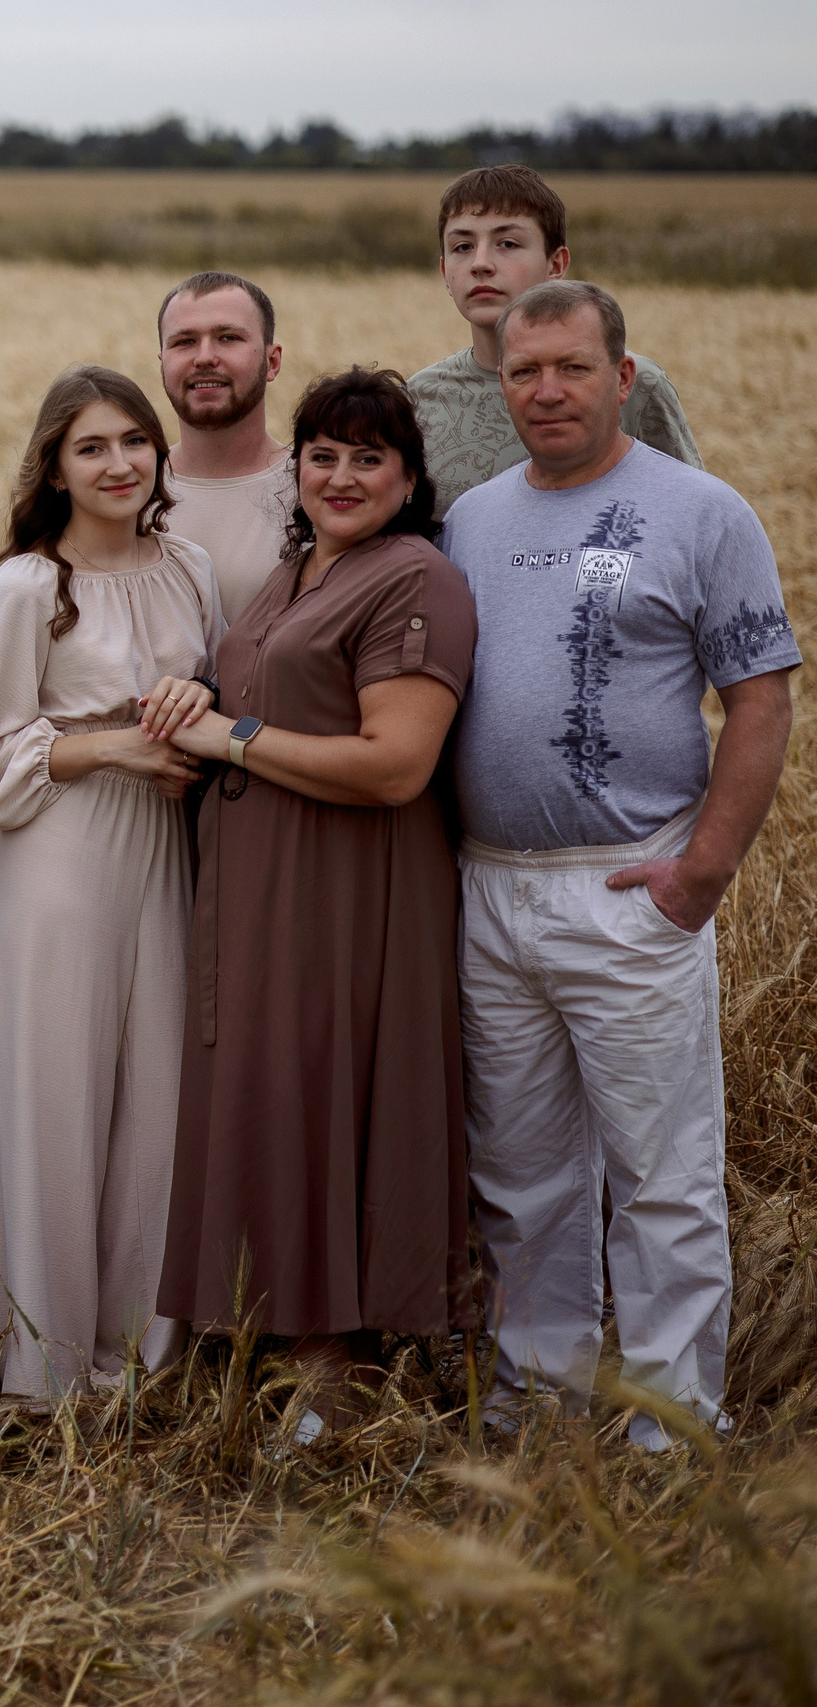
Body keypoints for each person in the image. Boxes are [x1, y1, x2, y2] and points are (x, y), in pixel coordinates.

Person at [444, 280, 797, 1451]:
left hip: (631, 885)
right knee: (522, 1174)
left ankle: (669, 1427)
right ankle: (535, 1402)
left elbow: (758, 697)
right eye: (523, 372)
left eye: (571, 368)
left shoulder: (699, 513)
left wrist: (701, 872)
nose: (546, 389)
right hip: (489, 889)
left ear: (621, 377)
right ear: (502, 387)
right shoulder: (475, 520)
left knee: (659, 1175)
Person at [157, 368, 478, 1442]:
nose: (340, 476)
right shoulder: (295, 567)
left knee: (330, 1094)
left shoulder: (414, 579)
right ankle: (279, 1351)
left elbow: (394, 765)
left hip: (351, 883)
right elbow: (262, 692)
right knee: (274, 1094)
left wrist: (231, 738)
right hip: (257, 879)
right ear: (294, 468)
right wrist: (202, 701)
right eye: (322, 455)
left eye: (367, 458)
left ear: (409, 476)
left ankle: (335, 1376)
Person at [0, 366, 220, 1405]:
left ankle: (140, 1361)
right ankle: (48, 1367)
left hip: (167, 856)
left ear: (159, 453)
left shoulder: (191, 566)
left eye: (133, 442)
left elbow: (213, 689)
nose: (118, 464)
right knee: (54, 1105)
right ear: (55, 469)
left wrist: (195, 692)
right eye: (91, 448)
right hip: (59, 858)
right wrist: (113, 748)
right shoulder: (27, 584)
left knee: (157, 1108)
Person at [411, 164, 702, 520]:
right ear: (445, 272)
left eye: (507, 243)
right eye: (462, 246)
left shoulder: (631, 383)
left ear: (556, 264)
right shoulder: (418, 398)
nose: (481, 263)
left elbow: (693, 517)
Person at [156, 271, 296, 623]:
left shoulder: (318, 488)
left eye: (228, 337)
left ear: (272, 362)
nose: (204, 357)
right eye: (184, 342)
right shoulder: (125, 490)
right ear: (162, 363)